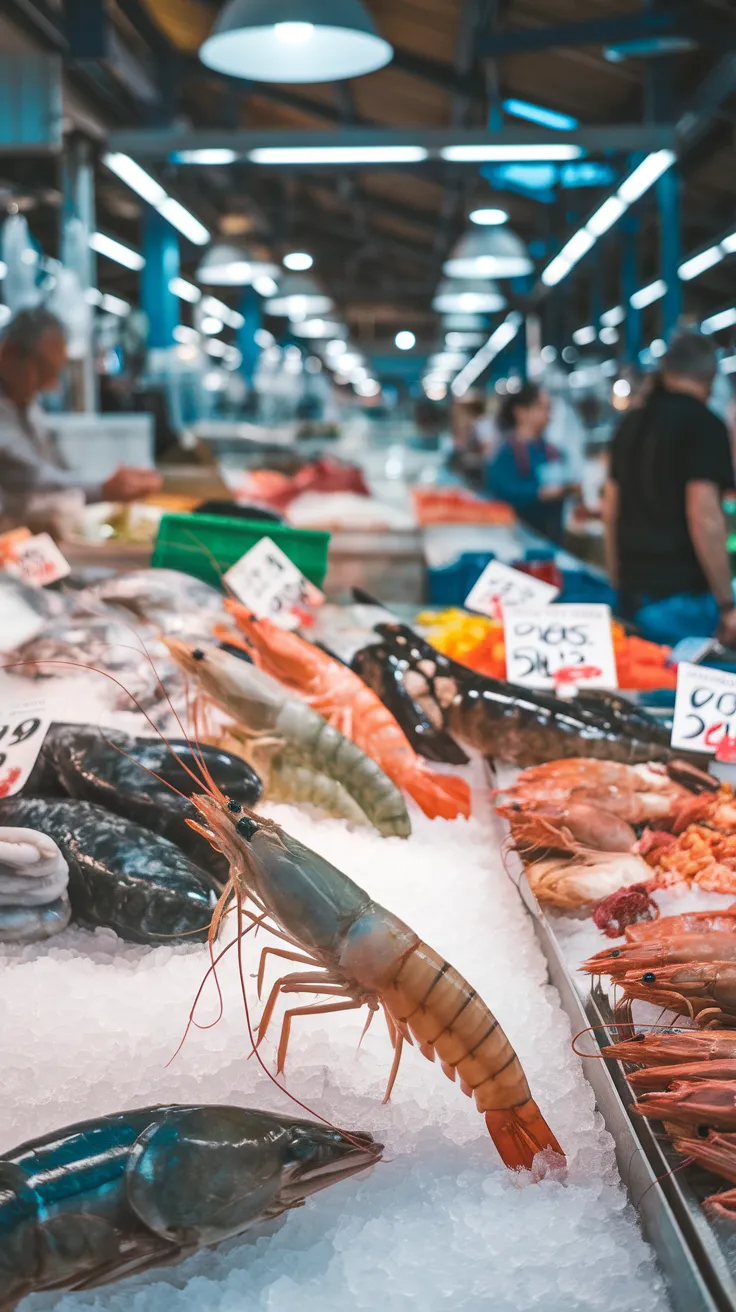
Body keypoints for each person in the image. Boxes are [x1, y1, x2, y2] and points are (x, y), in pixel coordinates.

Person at [603, 330, 736, 647]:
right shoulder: (704, 424)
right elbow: (703, 516)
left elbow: (610, 510)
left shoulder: (630, 423)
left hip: (631, 593)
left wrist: (616, 580)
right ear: (710, 375)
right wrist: (727, 604)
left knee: (638, 689)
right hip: (683, 601)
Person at [0, 307, 161, 527]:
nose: (50, 385)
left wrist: (107, 482)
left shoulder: (26, 402)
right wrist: (103, 488)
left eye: (54, 373)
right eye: (43, 370)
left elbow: (58, 466)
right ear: (9, 352)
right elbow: (33, 478)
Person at [485, 383, 574, 541]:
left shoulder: (554, 453)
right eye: (541, 407)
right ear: (520, 412)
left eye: (549, 408)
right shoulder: (504, 454)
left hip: (551, 539)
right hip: (514, 540)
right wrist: (538, 493)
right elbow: (499, 494)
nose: (548, 414)